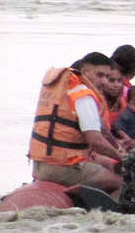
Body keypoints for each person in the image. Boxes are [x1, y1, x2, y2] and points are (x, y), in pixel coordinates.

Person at [28, 52, 123, 195]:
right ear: (85, 72)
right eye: (99, 75)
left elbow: (103, 131)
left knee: (105, 164)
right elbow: (96, 141)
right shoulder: (83, 95)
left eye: (107, 77)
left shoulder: (62, 90)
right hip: (61, 168)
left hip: (39, 165)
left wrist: (116, 148)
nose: (104, 81)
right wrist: (124, 158)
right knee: (119, 181)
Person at [103, 61, 127, 126]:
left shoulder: (125, 103)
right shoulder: (97, 104)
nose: (116, 85)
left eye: (119, 81)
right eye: (111, 80)